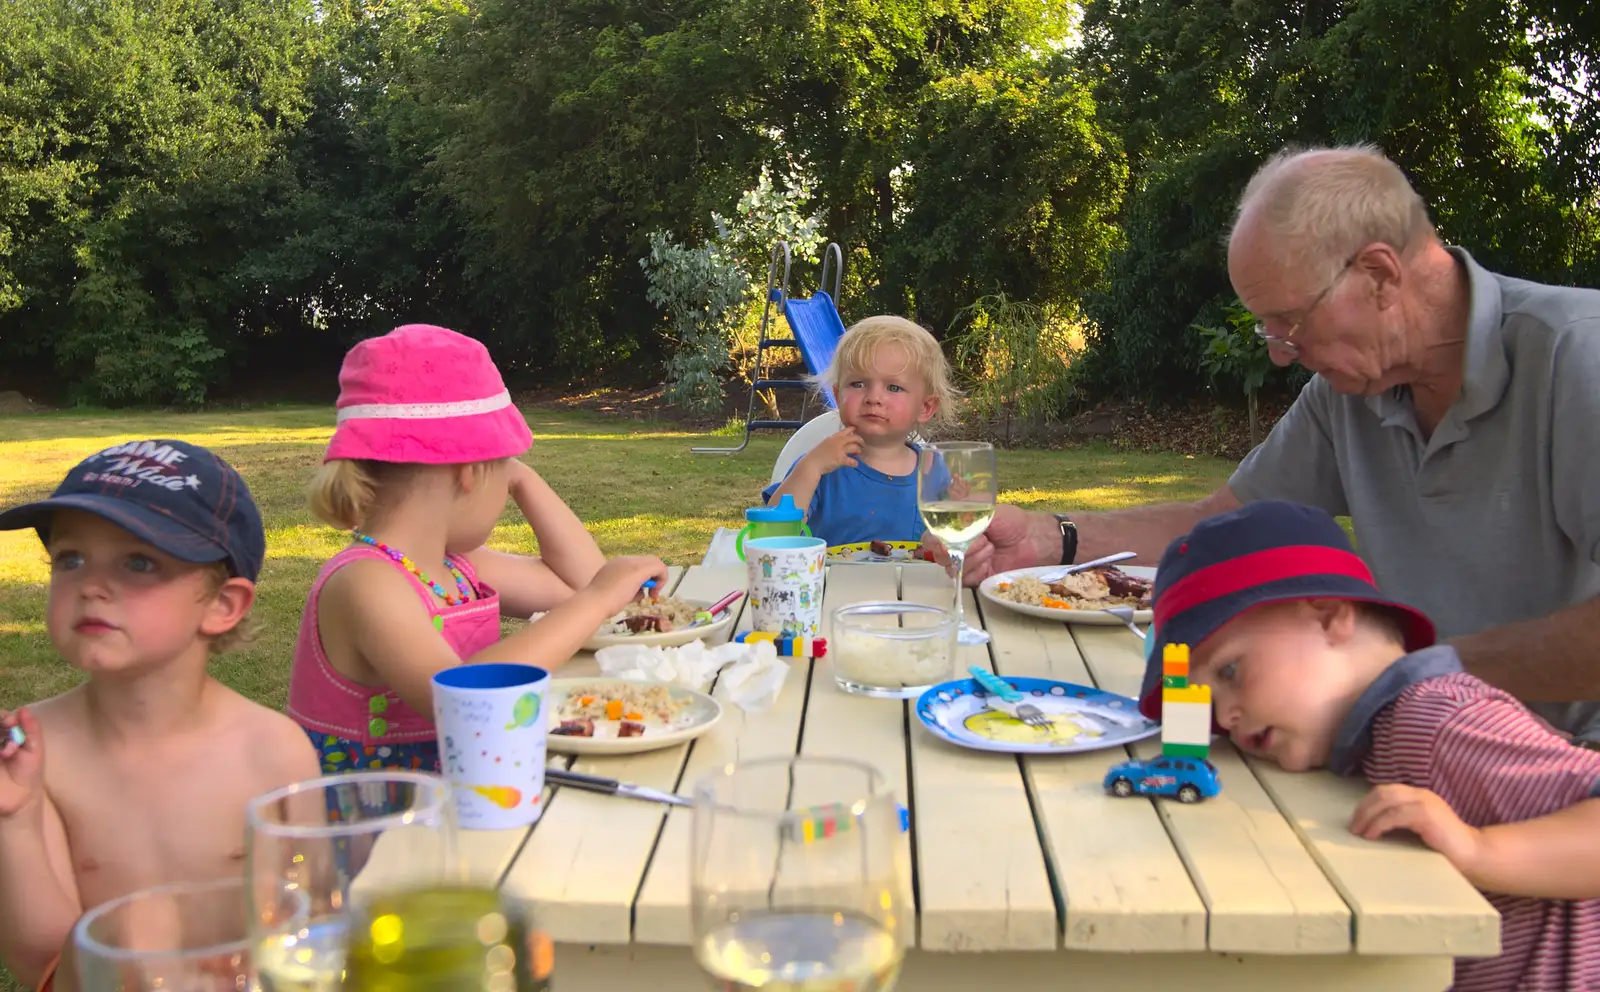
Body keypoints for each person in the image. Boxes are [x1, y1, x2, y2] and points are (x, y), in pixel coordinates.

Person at [950, 144, 1600, 744]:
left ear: (1378, 273)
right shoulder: (1347, 396)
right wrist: (1053, 539)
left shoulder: (1578, 356)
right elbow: (1218, 521)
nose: (1282, 355)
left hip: (1566, 787)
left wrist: (1409, 674)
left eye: (1289, 321)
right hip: (1408, 742)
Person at [1140, 499, 1598, 992]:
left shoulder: (1436, 723)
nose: (1225, 714)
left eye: (1230, 670)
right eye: (1204, 696)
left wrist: (1480, 850)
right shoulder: (1363, 732)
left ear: (1329, 617)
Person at [0, 439, 322, 992]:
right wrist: (16, 817)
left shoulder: (272, 750)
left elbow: (314, 926)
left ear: (222, 605)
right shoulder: (35, 752)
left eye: (139, 562)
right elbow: (44, 968)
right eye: (70, 559)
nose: (92, 586)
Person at [287, 324, 668, 775]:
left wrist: (524, 480)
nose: (510, 483)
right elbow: (464, 698)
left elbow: (577, 585)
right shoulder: (365, 583)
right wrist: (597, 598)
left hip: (465, 800)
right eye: (504, 470)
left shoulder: (455, 566)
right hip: (384, 829)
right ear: (467, 473)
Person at [763, 315, 960, 546]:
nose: (874, 397)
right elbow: (770, 538)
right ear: (838, 396)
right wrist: (811, 467)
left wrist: (956, 515)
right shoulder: (822, 466)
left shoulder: (934, 472)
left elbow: (952, 546)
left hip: (910, 583)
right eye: (858, 384)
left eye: (894, 387)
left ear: (925, 407)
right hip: (830, 581)